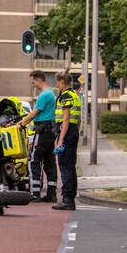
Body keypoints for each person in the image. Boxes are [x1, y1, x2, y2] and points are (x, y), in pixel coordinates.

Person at [19, 70, 59, 202]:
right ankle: (51, 193)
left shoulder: (44, 95)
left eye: (33, 82)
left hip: (42, 132)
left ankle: (35, 193)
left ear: (39, 80)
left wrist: (21, 124)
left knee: (34, 160)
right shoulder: (51, 94)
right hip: (50, 132)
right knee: (49, 162)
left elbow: (34, 113)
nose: (33, 84)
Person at [52, 72, 82, 211]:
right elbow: (78, 119)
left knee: (65, 166)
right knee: (70, 166)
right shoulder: (75, 95)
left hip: (66, 131)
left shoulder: (66, 96)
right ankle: (70, 198)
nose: (56, 84)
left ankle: (67, 199)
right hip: (72, 132)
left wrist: (61, 140)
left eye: (57, 82)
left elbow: (65, 118)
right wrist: (75, 133)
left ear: (62, 81)